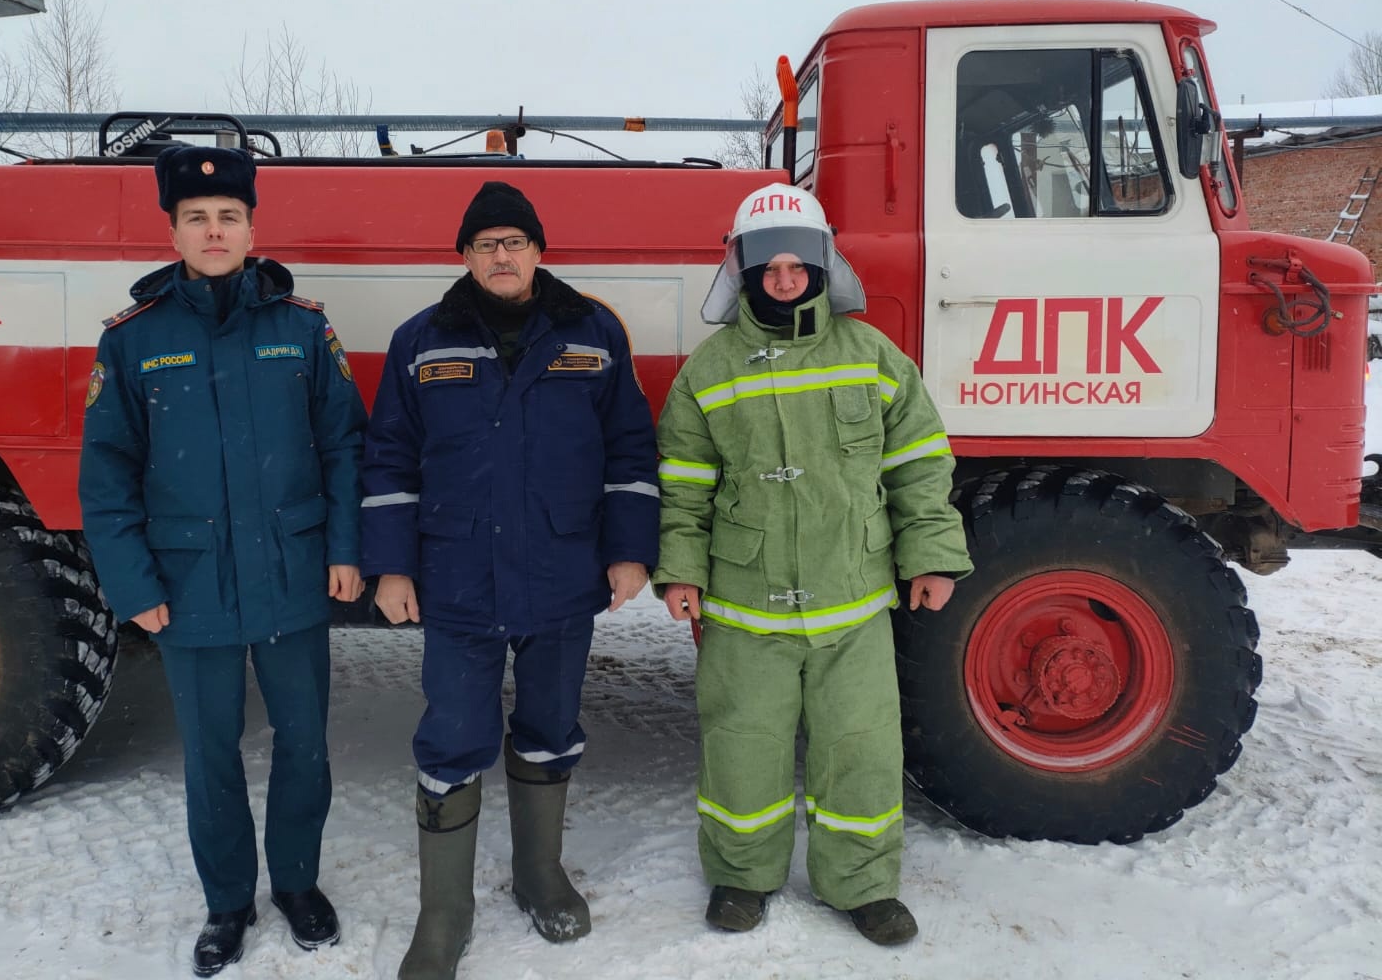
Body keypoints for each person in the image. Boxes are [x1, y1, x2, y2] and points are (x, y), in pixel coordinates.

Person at [653, 182, 972, 947]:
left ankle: (861, 885)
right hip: (742, 604)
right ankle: (741, 876)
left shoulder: (873, 357)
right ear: (743, 270)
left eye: (800, 263)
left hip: (853, 601)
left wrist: (930, 554)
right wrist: (683, 571)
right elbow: (684, 485)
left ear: (825, 265)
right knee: (742, 745)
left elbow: (921, 465)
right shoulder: (708, 370)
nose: (786, 278)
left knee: (860, 748)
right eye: (769, 265)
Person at [79, 144, 366, 977]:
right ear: (173, 230)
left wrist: (346, 550)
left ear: (252, 227)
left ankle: (299, 887)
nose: (214, 230)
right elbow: (107, 474)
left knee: (304, 742)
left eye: (228, 217)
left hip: (292, 572)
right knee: (210, 753)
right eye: (197, 218)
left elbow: (346, 446)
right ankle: (229, 901)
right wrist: (131, 583)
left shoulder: (301, 326)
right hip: (187, 583)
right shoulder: (134, 340)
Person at [361, 180, 660, 980]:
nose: (502, 255)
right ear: (463, 256)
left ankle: (539, 876)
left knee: (551, 727)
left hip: (563, 572)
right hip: (455, 575)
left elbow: (630, 448)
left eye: (515, 242)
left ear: (538, 252)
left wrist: (631, 551)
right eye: (486, 243)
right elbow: (389, 456)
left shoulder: (593, 333)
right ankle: (445, 914)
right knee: (452, 738)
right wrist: (390, 564)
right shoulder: (420, 341)